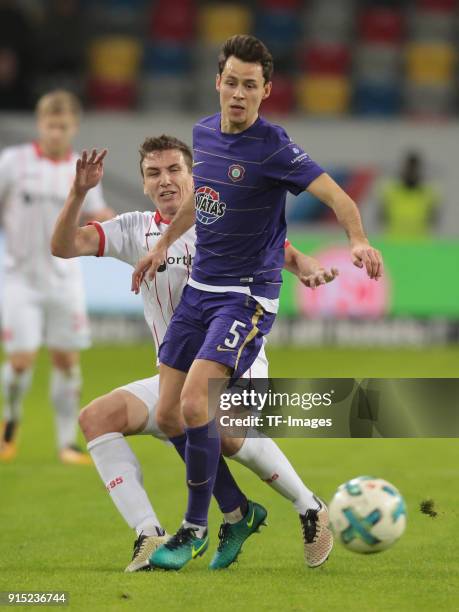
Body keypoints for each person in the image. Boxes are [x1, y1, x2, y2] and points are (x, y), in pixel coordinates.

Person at [131, 34, 383, 572]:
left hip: (247, 297)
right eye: (231, 82)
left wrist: (358, 239)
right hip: (202, 290)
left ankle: (195, 529)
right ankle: (259, 510)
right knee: (171, 415)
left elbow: (336, 196)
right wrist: (160, 244)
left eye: (251, 85)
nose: (239, 94)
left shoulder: (274, 146)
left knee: (199, 405)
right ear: (217, 82)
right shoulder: (203, 133)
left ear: (266, 91)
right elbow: (202, 205)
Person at [51, 136, 339, 572]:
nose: (165, 180)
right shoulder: (133, 230)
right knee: (97, 418)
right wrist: (78, 194)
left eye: (174, 170)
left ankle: (309, 507)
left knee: (208, 420)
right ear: (145, 184)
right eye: (154, 173)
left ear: (194, 176)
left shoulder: (227, 221)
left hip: (241, 366)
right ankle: (151, 534)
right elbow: (63, 246)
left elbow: (289, 256)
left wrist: (311, 269)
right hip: (175, 376)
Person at [0, 90, 113, 464]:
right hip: (19, 279)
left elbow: (99, 214)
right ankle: (10, 421)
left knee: (66, 361)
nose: (55, 133)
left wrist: (138, 230)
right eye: (50, 125)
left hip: (65, 279)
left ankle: (67, 443)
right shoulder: (12, 163)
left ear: (73, 127)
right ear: (39, 124)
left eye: (63, 126)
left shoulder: (78, 170)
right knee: (20, 361)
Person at [380, 151, 440, 239]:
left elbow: (433, 220)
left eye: (414, 169)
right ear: (403, 169)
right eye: (409, 168)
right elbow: (382, 218)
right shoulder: (389, 192)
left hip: (420, 243)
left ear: (419, 170)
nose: (411, 172)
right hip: (394, 242)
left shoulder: (429, 193)